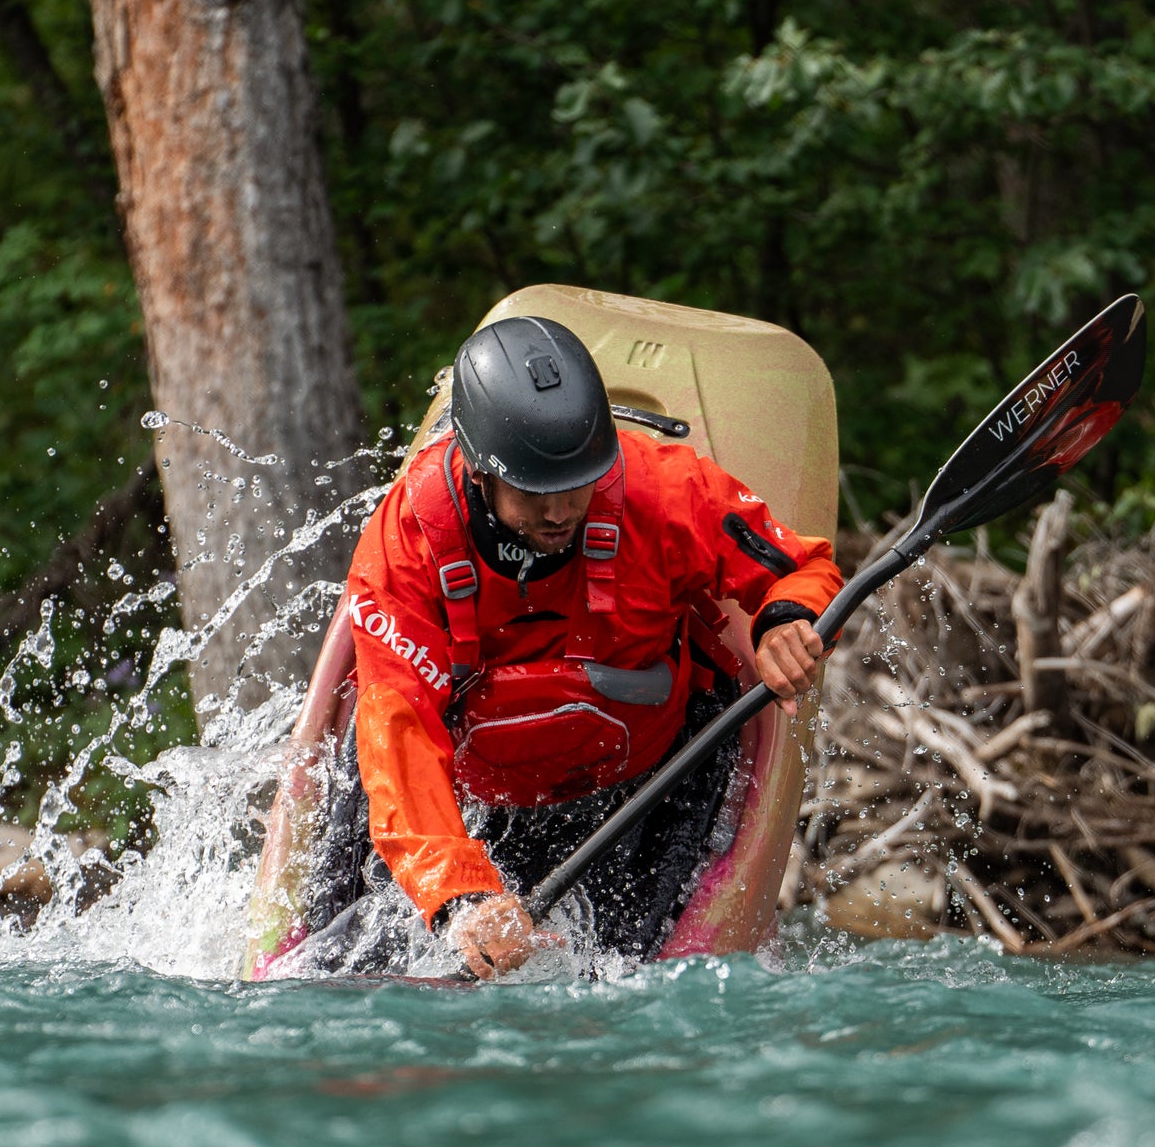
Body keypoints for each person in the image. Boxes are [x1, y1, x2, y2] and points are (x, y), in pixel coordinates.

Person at [328, 315, 843, 980]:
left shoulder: (664, 491)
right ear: (480, 474)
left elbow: (802, 564)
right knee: (346, 969)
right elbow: (399, 732)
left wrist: (784, 623)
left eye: (577, 483)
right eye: (536, 490)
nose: (560, 511)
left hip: (649, 780)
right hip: (469, 795)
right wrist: (462, 900)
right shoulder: (408, 545)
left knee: (634, 985)